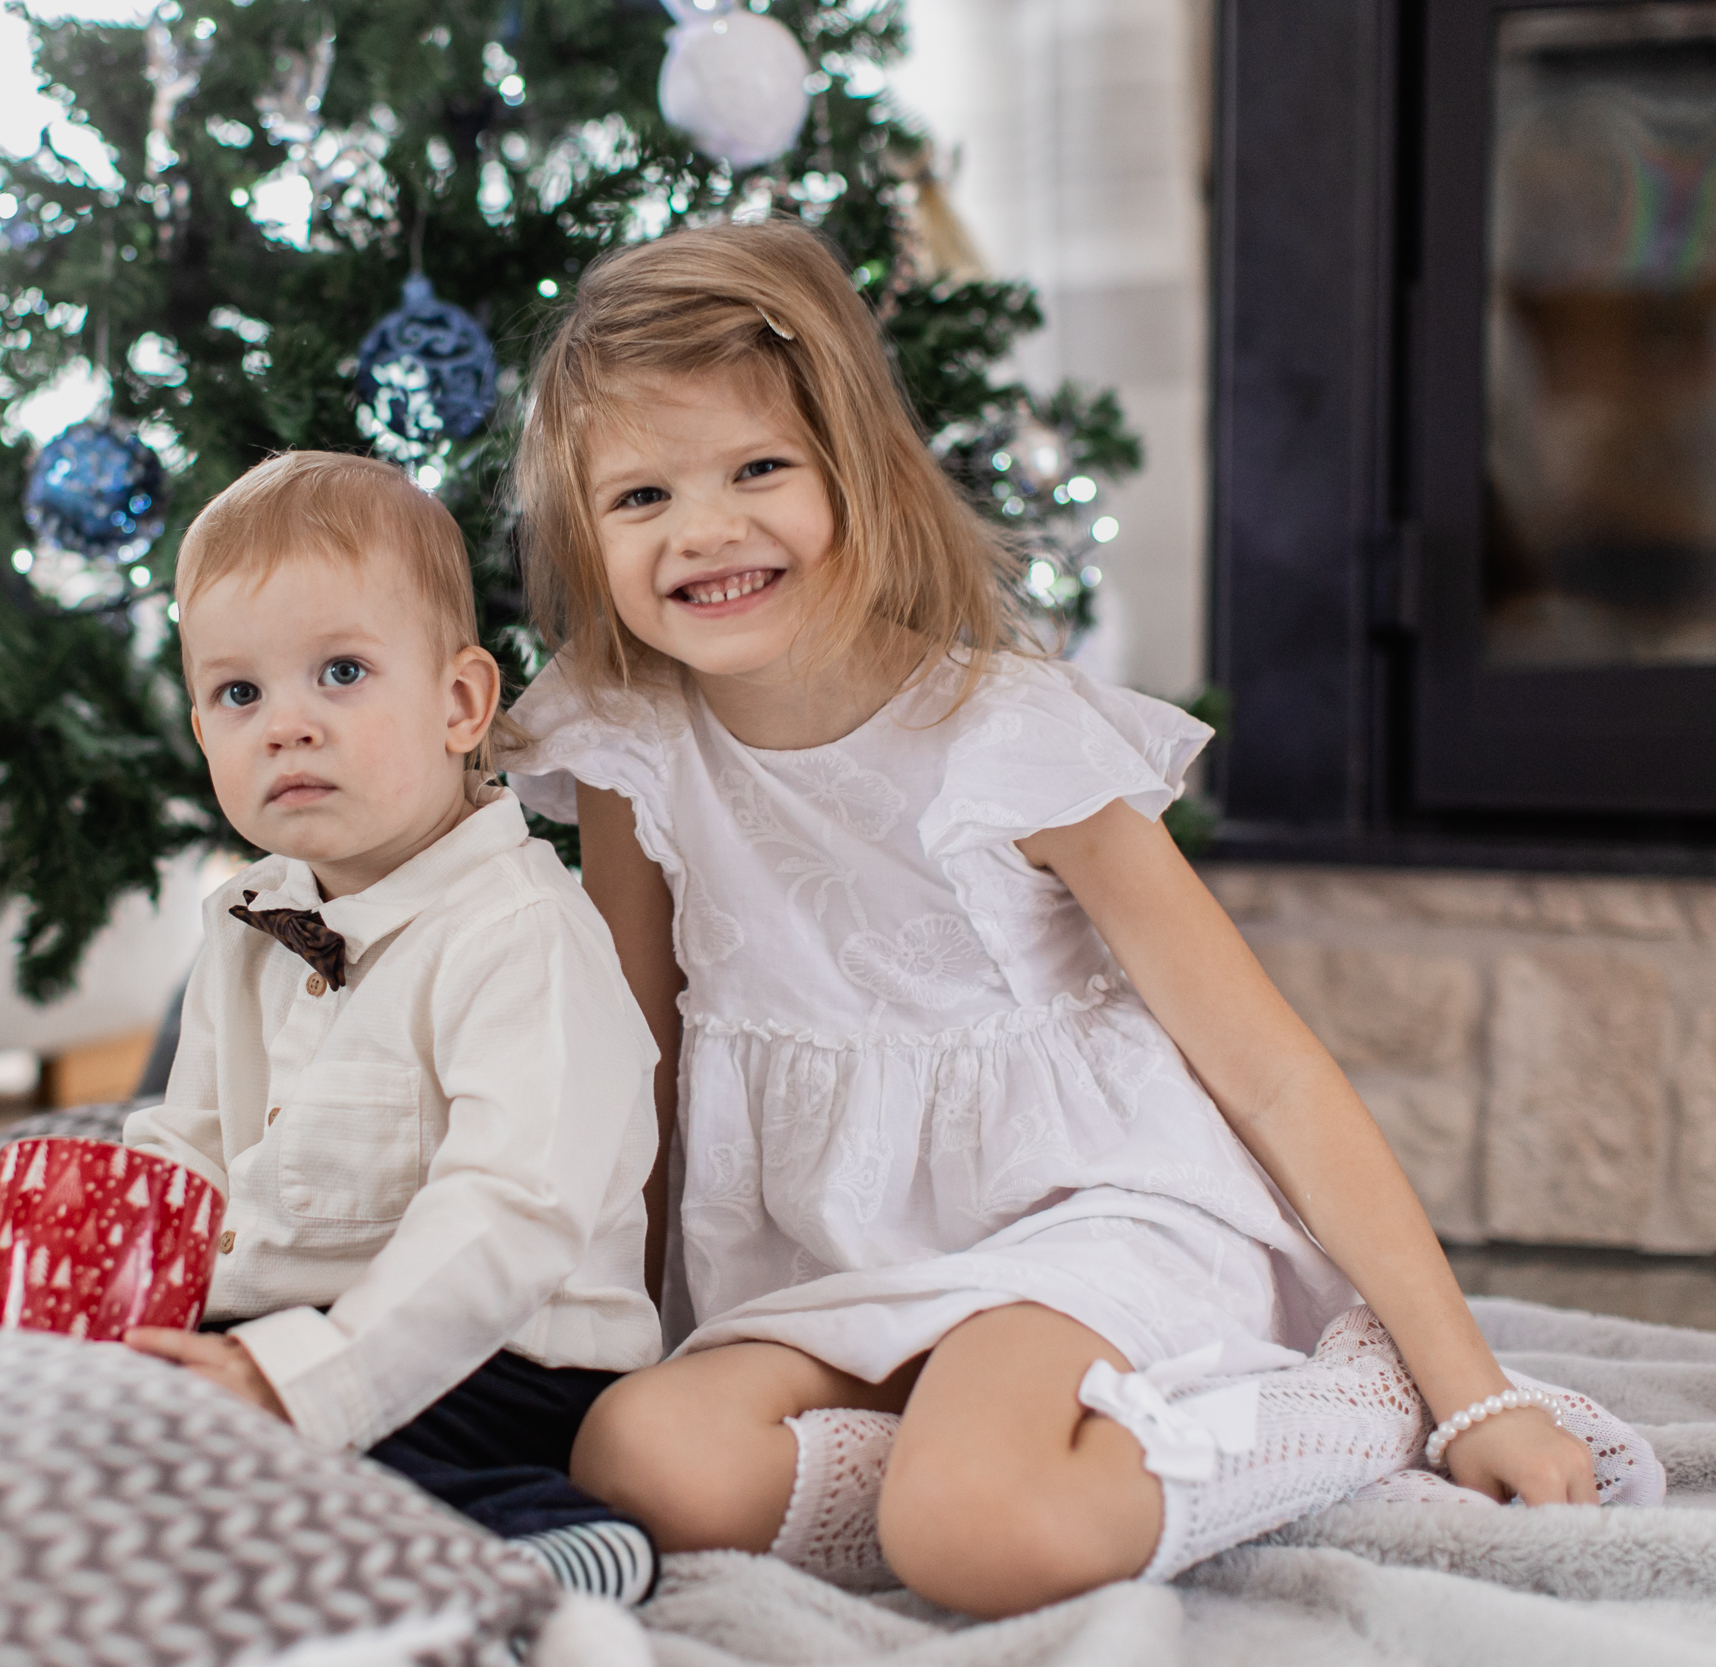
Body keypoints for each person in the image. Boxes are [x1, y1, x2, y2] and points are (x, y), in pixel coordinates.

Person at [500, 219, 1662, 1618]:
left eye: (759, 468)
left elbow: (1274, 1071)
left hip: (1081, 1216)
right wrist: (610, 1327)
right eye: (640, 497)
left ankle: (1351, 1399)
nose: (704, 530)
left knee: (975, 1531)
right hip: (840, 1246)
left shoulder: (1009, 739)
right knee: (646, 1453)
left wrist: (1472, 1392)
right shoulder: (631, 738)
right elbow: (642, 1067)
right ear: (583, 526)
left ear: (856, 470)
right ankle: (984, 1457)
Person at [119, 450, 665, 1604]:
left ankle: (539, 1541)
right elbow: (192, 1145)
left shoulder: (518, 934)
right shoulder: (247, 916)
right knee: (123, 1436)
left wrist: (293, 1382)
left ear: (461, 702)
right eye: (239, 694)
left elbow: (509, 1217)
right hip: (285, 1310)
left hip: (502, 1353)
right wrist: (117, 1289)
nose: (288, 726)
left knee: (289, 1469)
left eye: (341, 672)